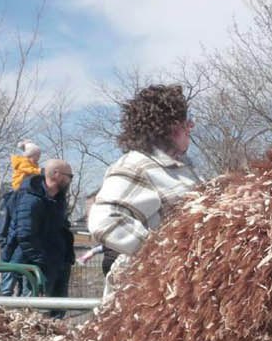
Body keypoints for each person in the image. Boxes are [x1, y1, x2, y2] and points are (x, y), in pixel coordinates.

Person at [83, 84, 202, 279]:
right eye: (186, 121)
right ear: (170, 127)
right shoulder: (136, 165)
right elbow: (104, 219)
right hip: (153, 293)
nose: (191, 126)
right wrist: (165, 254)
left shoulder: (183, 169)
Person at [3, 156, 76, 299]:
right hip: (40, 266)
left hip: (59, 263)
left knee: (57, 311)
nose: (70, 180)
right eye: (70, 176)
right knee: (35, 309)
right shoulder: (31, 199)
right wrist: (41, 261)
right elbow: (25, 235)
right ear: (57, 174)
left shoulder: (58, 200)